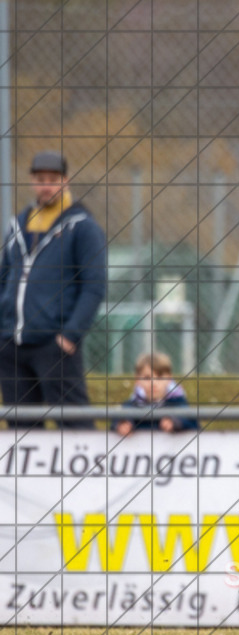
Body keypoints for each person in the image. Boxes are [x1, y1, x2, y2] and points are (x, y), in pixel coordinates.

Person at [0, 151, 106, 430]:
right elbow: (4, 279)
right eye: (40, 179)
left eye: (52, 179)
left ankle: (88, 473)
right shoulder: (17, 225)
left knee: (73, 425)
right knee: (21, 431)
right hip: (12, 346)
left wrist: (69, 336)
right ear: (32, 182)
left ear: (65, 181)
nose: (46, 185)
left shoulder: (82, 227)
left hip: (55, 345)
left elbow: (94, 287)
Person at [112, 352, 199, 436]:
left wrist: (176, 422)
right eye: (147, 378)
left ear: (169, 379)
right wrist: (123, 424)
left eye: (160, 378)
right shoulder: (130, 405)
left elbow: (193, 424)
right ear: (137, 380)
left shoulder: (179, 403)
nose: (153, 383)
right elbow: (117, 420)